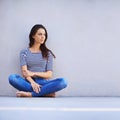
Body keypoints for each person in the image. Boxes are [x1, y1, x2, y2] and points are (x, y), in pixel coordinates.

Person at [8, 24, 67, 97]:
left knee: (63, 82)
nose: (43, 37)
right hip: (29, 82)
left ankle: (31, 94)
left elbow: (49, 74)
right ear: (33, 36)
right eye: (40, 34)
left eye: (44, 35)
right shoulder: (24, 52)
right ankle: (45, 92)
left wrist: (33, 73)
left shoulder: (48, 53)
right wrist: (33, 83)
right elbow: (24, 72)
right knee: (12, 78)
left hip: (43, 83)